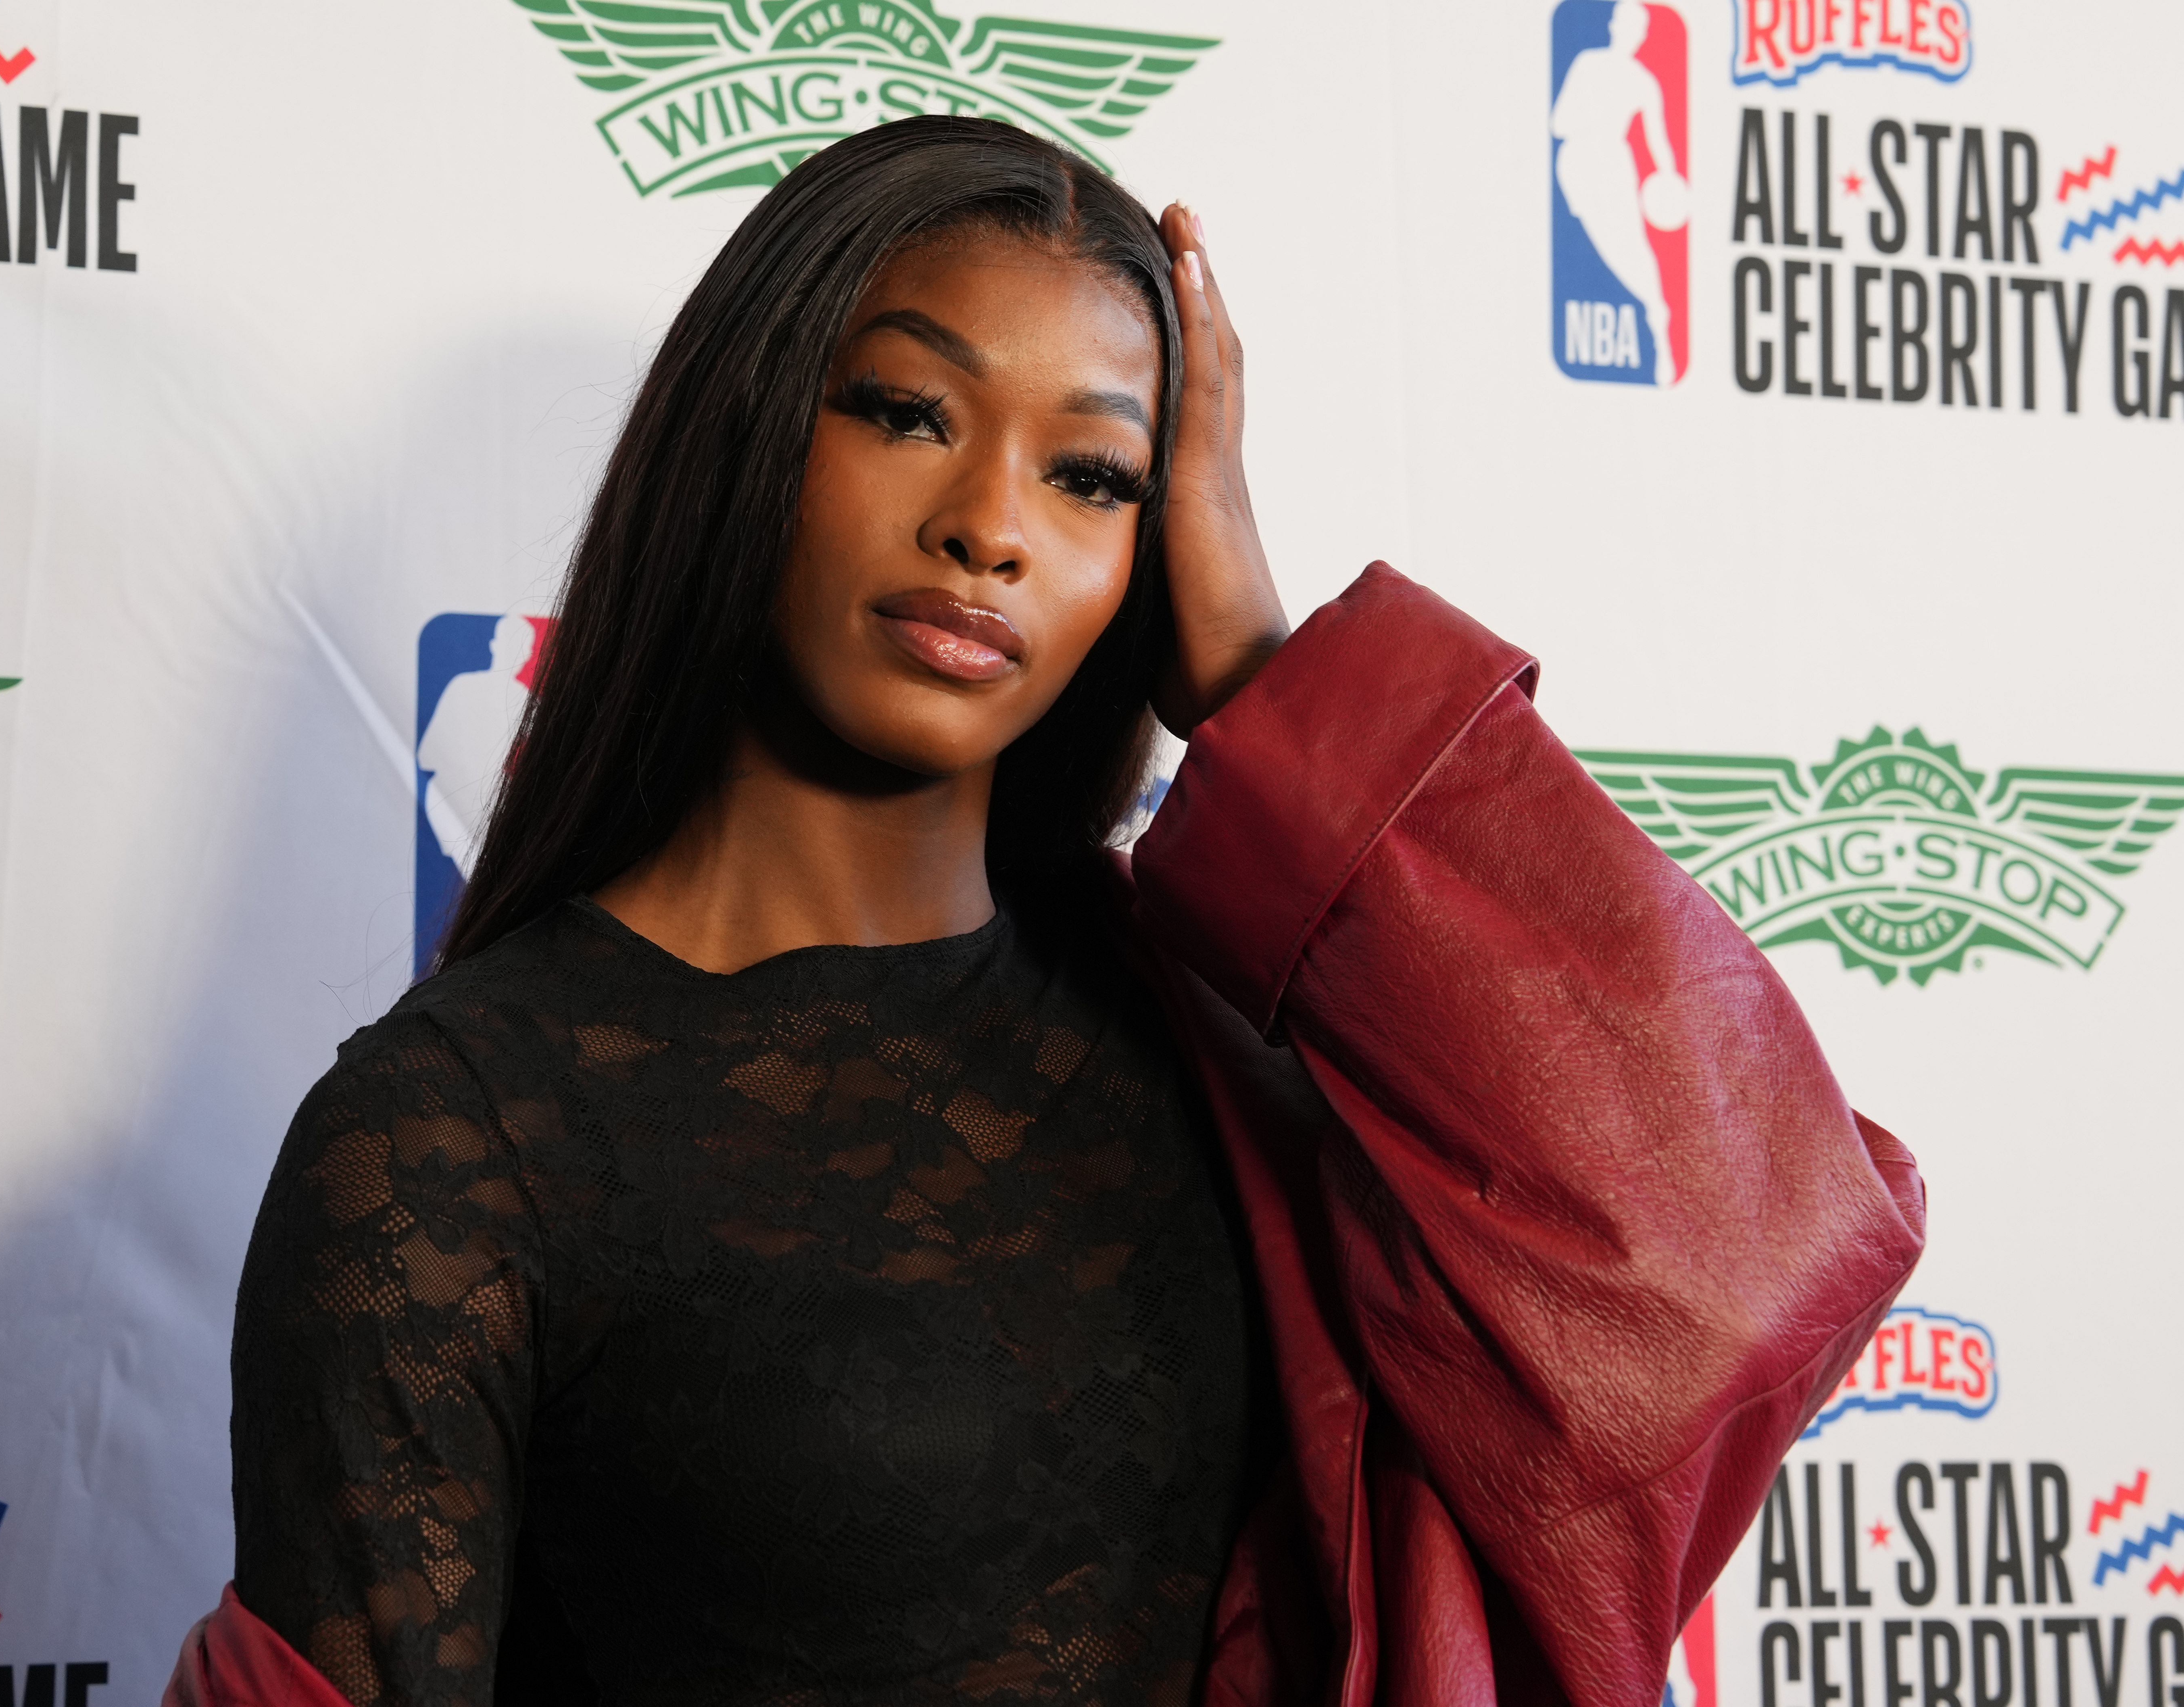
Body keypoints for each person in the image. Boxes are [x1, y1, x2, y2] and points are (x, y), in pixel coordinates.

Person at [174, 118, 1923, 1707]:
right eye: (907, 412)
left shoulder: (1209, 1031)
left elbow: (1736, 1254)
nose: (988, 526)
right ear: (751, 432)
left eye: (1090, 475)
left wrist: (1260, 675)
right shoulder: (448, 1138)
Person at [1552, 0, 1687, 384]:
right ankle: (1657, 317)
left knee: (1631, 246)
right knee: (1606, 248)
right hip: (1580, 166)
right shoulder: (1588, 64)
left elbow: (1659, 140)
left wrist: (1670, 180)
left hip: (1612, 165)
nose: (1631, 34)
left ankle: (1659, 325)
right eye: (1626, 25)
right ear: (1614, 26)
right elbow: (1559, 123)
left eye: (1637, 28)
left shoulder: (1645, 82)